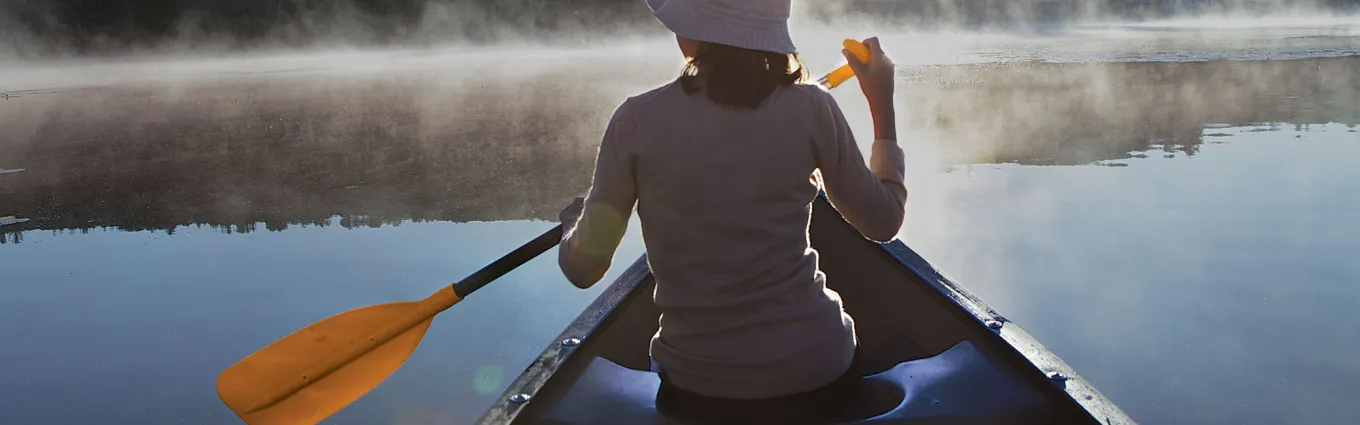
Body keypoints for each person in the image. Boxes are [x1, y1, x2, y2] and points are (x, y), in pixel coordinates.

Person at [556, 0, 905, 423]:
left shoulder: (635, 122)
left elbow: (584, 270)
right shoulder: (813, 108)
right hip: (819, 373)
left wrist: (572, 227)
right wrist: (880, 101)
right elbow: (884, 221)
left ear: (694, 30)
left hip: (699, 390)